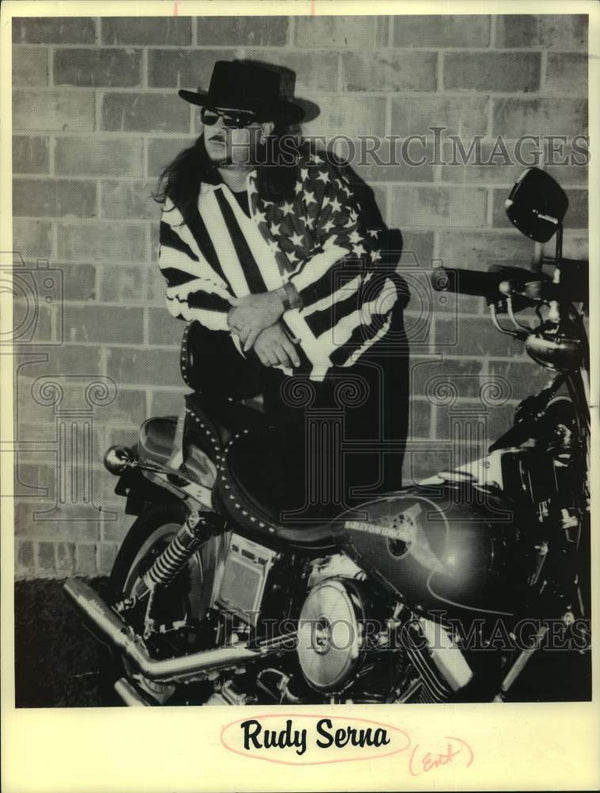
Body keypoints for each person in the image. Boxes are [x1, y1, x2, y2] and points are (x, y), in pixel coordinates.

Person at [154, 60, 409, 514]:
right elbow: (184, 284)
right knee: (298, 502)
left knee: (361, 502)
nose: (216, 128)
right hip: (286, 362)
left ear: (266, 128)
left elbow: (357, 250)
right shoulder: (185, 196)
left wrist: (277, 303)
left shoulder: (312, 174)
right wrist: (249, 322)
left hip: (362, 352)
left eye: (234, 121)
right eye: (210, 116)